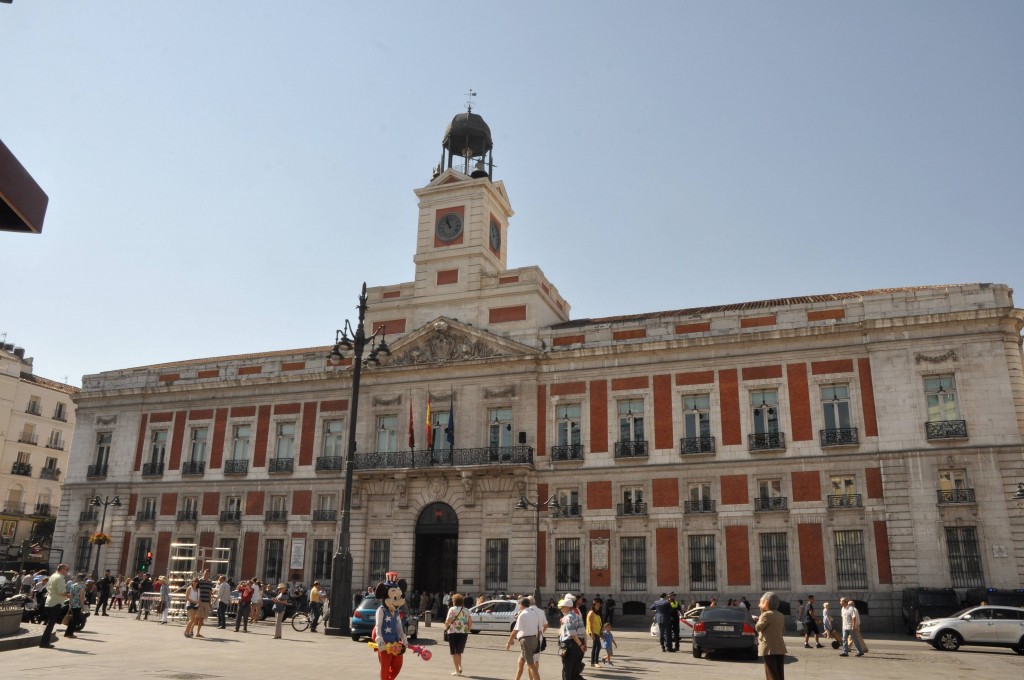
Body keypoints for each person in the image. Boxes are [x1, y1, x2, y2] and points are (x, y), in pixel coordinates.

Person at [506, 596, 543, 680]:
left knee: (531, 665)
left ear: (521, 605)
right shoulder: (534, 612)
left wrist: (509, 642)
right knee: (520, 662)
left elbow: (515, 630)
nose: (518, 606)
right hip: (534, 639)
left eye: (519, 604)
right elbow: (539, 628)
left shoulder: (523, 614)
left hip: (526, 641)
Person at [755, 591, 787, 680]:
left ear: (766, 603)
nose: (759, 605)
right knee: (779, 672)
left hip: (769, 648)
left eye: (761, 602)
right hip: (779, 647)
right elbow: (783, 631)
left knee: (771, 673)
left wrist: (760, 615)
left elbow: (758, 627)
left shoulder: (766, 615)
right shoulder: (781, 615)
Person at [39, 563, 69, 649]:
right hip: (56, 602)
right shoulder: (60, 578)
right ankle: (44, 642)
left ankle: (44, 642)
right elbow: (61, 591)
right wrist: (68, 595)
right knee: (50, 624)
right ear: (62, 569)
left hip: (50, 601)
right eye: (66, 569)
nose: (67, 571)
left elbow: (48, 586)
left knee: (50, 622)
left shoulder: (53, 576)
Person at [557, 597, 586, 680]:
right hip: (579, 643)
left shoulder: (568, 617)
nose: (561, 609)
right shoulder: (578, 616)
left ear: (567, 607)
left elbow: (572, 633)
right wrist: (583, 645)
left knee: (567, 669)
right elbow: (583, 632)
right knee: (575, 670)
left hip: (570, 645)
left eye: (562, 607)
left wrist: (580, 645)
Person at [446, 593, 472, 676]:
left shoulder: (452, 609)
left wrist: (447, 627)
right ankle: (460, 667)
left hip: (453, 632)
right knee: (459, 651)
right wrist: (467, 629)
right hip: (463, 632)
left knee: (454, 652)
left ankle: (457, 670)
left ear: (454, 601)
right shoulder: (467, 610)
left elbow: (448, 621)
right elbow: (470, 623)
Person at [64, 572, 86, 639]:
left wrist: (70, 604)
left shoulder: (73, 585)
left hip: (72, 602)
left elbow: (70, 596)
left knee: (73, 618)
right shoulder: (82, 586)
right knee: (75, 619)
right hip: (78, 603)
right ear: (83, 579)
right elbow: (81, 597)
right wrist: (83, 606)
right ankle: (70, 633)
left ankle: (67, 632)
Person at [586, 598, 603, 667]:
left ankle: (593, 662)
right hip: (593, 632)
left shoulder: (596, 613)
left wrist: (601, 632)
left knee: (595, 646)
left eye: (599, 605)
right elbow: (590, 624)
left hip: (597, 632)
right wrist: (592, 633)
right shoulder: (591, 613)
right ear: (594, 605)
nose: (598, 606)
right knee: (598, 646)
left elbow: (599, 623)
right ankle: (596, 662)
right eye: (597, 605)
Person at [196, 569, 213, 637]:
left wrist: (210, 602)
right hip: (200, 601)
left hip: (206, 601)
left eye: (208, 573)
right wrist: (198, 601)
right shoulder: (199, 581)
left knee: (202, 618)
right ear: (203, 573)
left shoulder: (210, 582)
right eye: (205, 573)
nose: (206, 574)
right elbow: (197, 591)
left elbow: (209, 593)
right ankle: (191, 630)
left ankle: (198, 632)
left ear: (209, 574)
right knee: (198, 617)